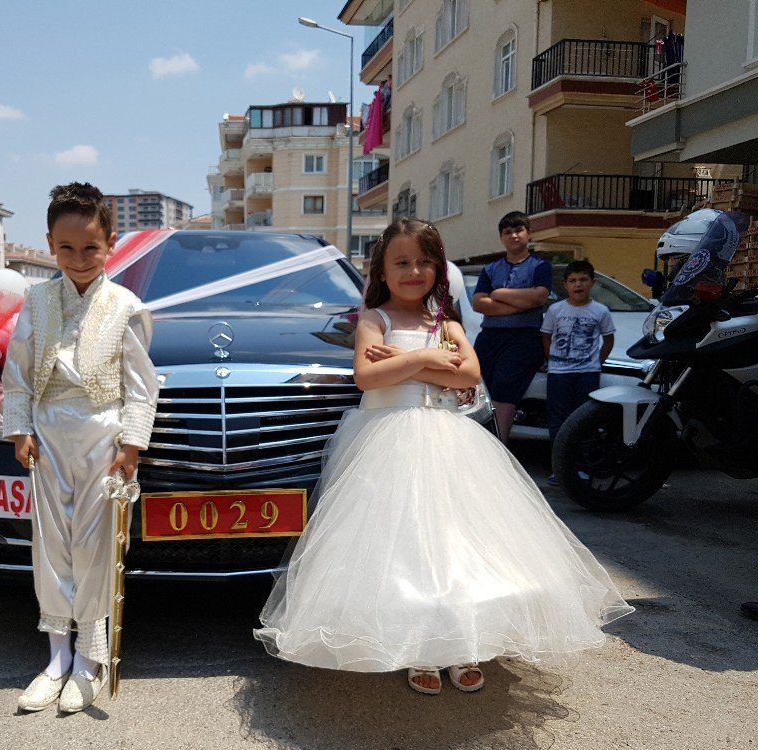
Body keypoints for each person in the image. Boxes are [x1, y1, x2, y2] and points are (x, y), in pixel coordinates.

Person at [254, 218, 633, 695]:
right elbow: (368, 379)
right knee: (402, 550)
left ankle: (461, 642)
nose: (413, 271)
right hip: (384, 442)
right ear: (382, 271)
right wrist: (430, 361)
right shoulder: (375, 320)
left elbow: (469, 376)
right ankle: (419, 647)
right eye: (401, 262)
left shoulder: (447, 323)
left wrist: (404, 363)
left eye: (424, 263)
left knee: (457, 544)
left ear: (439, 269)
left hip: (449, 443)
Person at [2, 182, 158, 713]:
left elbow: (142, 385)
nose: (79, 259)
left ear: (110, 243)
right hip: (47, 438)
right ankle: (56, 657)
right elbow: (18, 374)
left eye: (90, 248)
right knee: (50, 544)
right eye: (66, 248)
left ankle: (90, 660)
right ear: (49, 244)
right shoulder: (38, 300)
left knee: (95, 545)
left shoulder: (126, 305)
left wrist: (132, 445)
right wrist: (20, 428)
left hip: (102, 437)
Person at [471, 211, 552, 443]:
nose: (514, 236)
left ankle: (498, 448)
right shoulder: (490, 269)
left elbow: (539, 297)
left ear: (528, 233)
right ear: (501, 237)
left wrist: (499, 294)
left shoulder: (540, 266)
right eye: (508, 232)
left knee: (505, 392)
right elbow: (479, 303)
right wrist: (520, 305)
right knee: (480, 392)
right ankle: (478, 445)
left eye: (519, 230)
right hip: (490, 337)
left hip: (524, 338)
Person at [541, 260, 615, 485]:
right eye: (572, 281)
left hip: (587, 374)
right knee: (558, 421)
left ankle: (582, 467)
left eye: (583, 280)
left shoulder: (600, 311)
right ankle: (560, 468)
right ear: (565, 285)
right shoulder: (555, 310)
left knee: (585, 421)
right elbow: (545, 336)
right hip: (558, 374)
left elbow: (608, 340)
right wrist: (551, 360)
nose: (578, 285)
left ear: (593, 283)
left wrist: (596, 363)